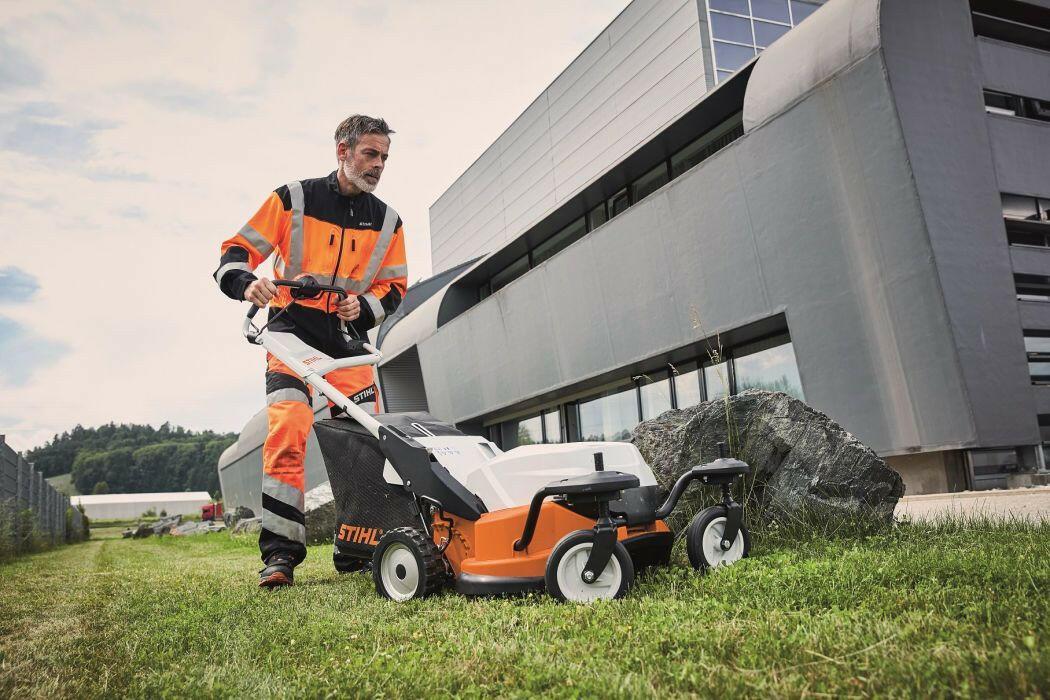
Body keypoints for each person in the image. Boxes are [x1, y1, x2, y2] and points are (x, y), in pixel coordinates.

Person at [214, 115, 407, 588]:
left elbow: (395, 288)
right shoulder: (293, 199)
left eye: (383, 156)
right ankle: (280, 556)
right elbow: (233, 253)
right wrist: (248, 284)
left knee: (363, 444)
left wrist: (360, 306)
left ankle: (357, 545)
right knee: (288, 430)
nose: (378, 164)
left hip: (345, 344)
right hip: (290, 336)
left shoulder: (388, 221)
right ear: (342, 152)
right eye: (370, 153)